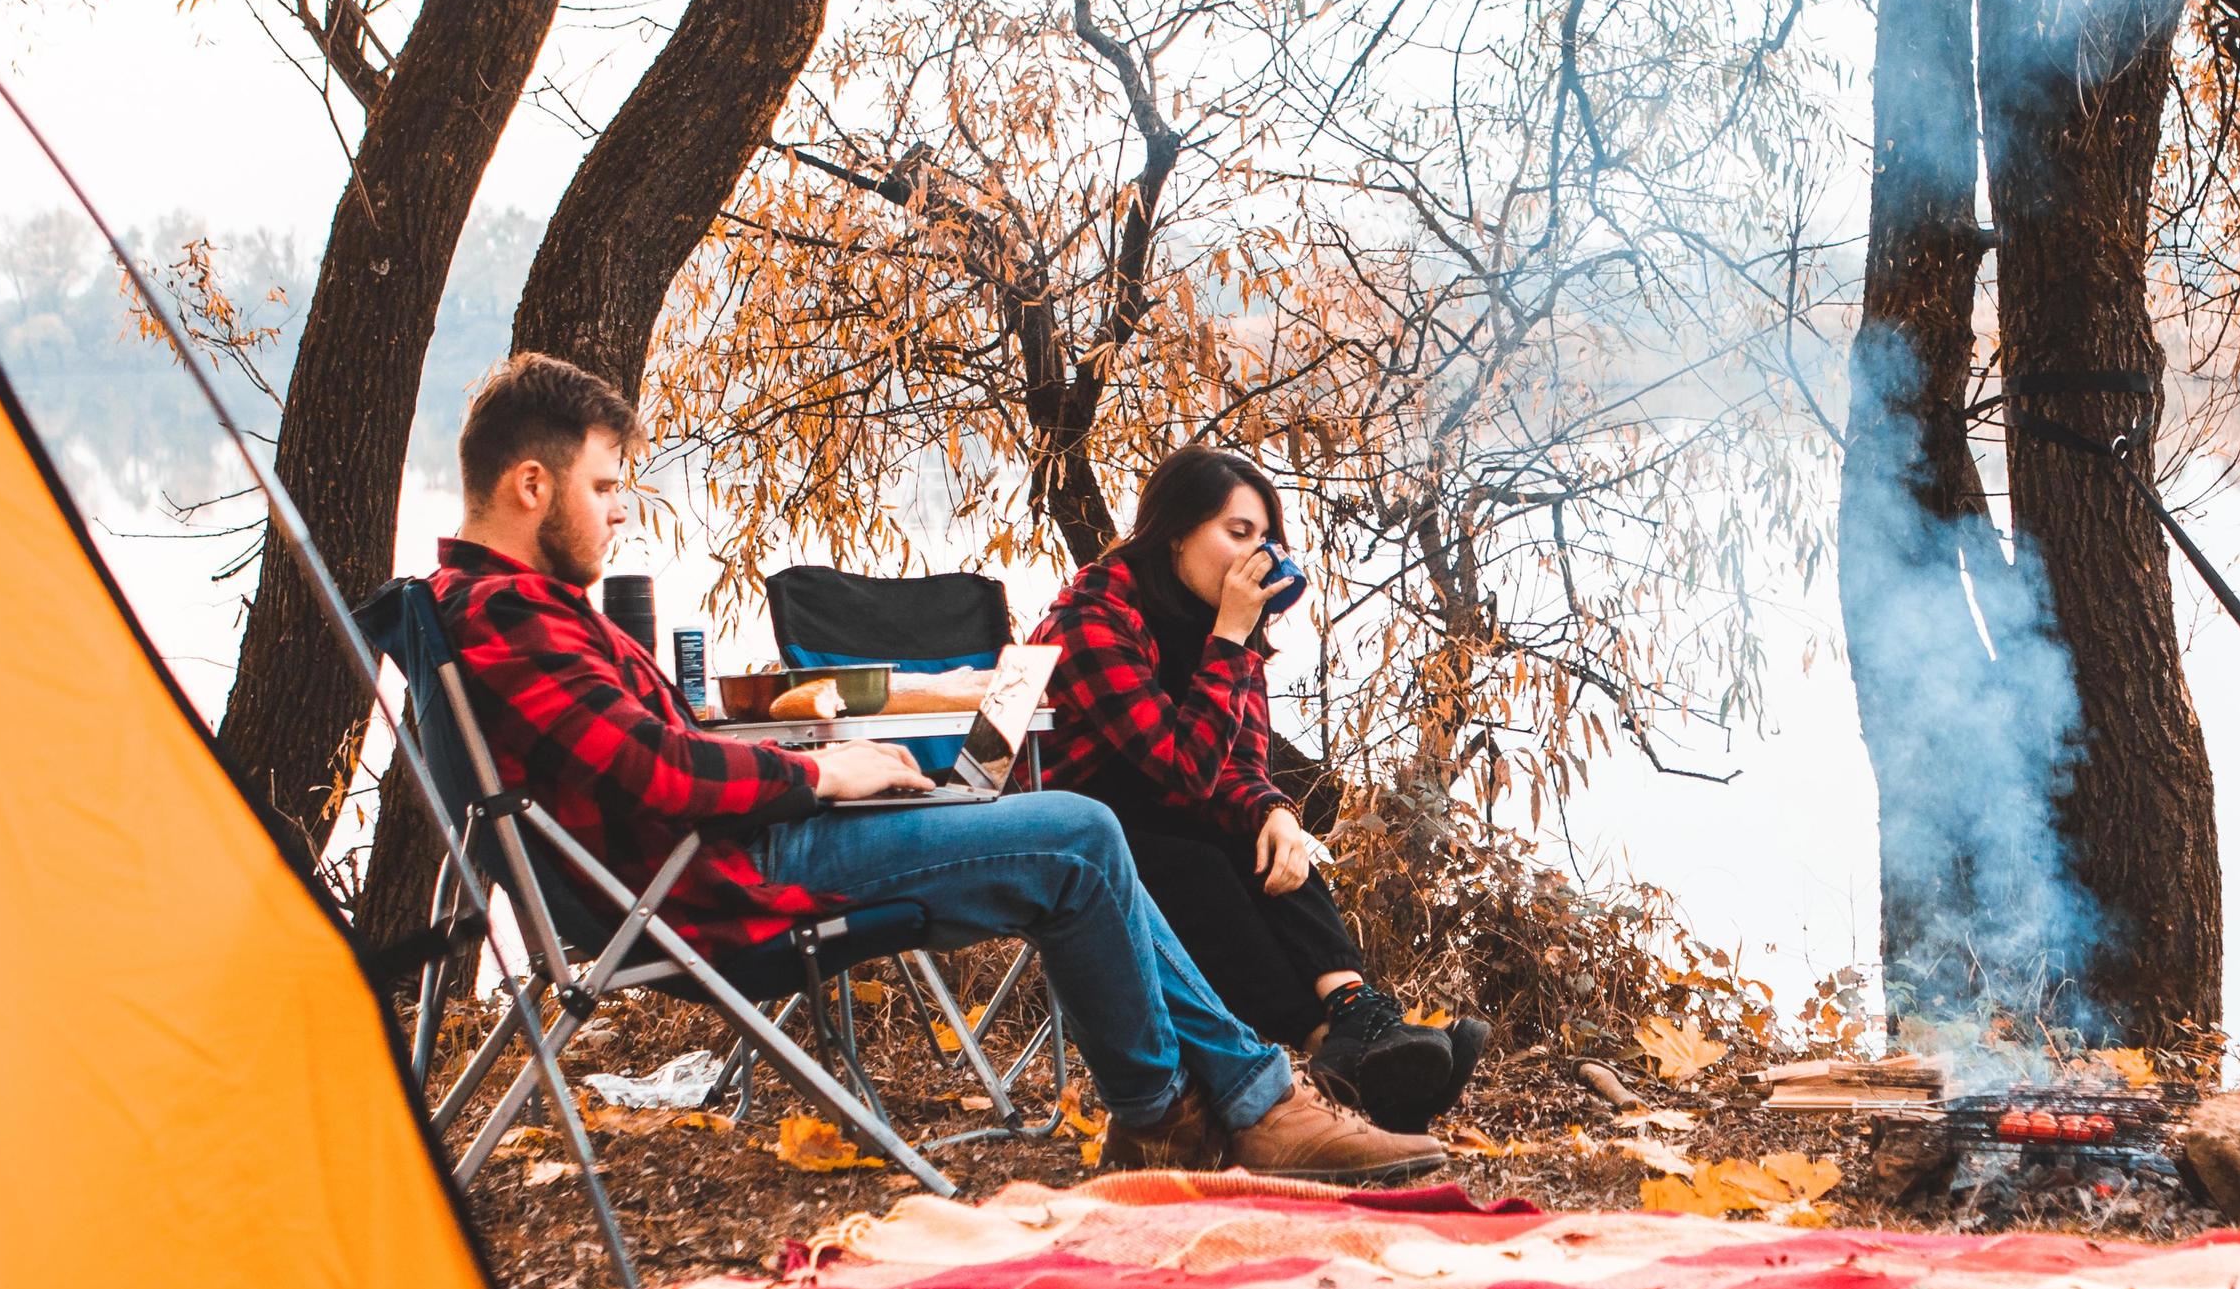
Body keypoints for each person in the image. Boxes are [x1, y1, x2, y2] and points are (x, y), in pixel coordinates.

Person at [427, 353, 1447, 1183]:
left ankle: (1187, 1115)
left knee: (1076, 843)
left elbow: (654, 760)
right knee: (1081, 832)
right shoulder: (508, 616)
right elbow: (661, 774)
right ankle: (1224, 1112)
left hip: (719, 858)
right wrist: (829, 774)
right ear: (531, 485)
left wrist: (830, 759)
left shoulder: (504, 613)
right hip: (729, 878)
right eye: (603, 487)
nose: (617, 513)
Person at [1032, 447, 1491, 1132]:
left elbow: (1238, 767)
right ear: (1175, 530)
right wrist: (1230, 637)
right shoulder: (1093, 620)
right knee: (1197, 864)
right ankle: (1336, 1048)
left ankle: (1356, 1014)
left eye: (1266, 539)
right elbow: (1181, 770)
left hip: (1165, 811)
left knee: (1265, 837)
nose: (1256, 555)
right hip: (1075, 836)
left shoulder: (1222, 626)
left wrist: (1277, 812)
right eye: (1237, 533)